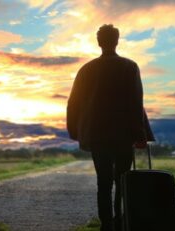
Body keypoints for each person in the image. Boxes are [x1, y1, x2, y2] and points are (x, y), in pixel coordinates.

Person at [67, 24, 155, 231]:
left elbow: (73, 103)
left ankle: (106, 225)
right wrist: (140, 134)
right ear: (117, 40)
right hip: (123, 135)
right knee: (123, 180)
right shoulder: (129, 66)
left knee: (103, 182)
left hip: (97, 135)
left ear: (99, 42)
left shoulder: (86, 69)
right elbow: (135, 102)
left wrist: (75, 131)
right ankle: (121, 222)